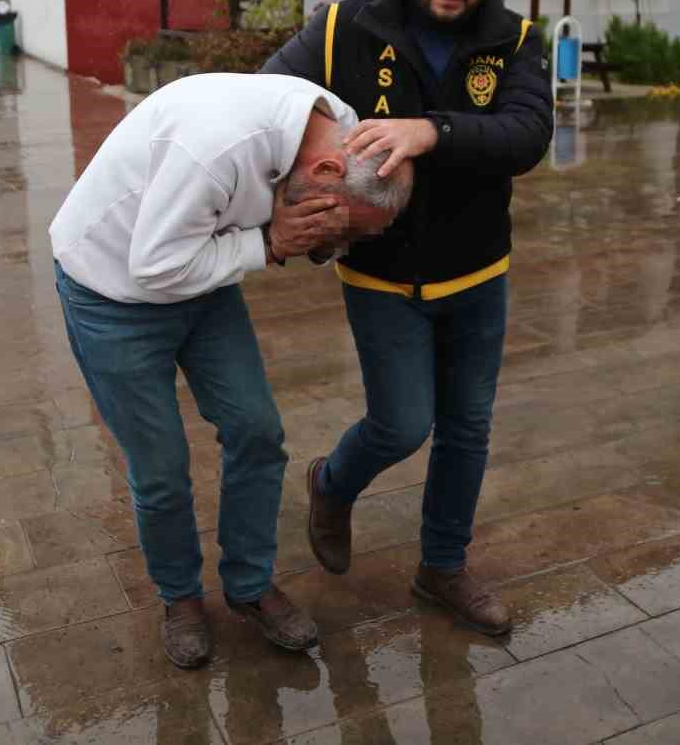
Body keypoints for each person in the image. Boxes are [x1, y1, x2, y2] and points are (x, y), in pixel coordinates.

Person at [261, 0, 554, 635]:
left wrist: (433, 132)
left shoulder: (515, 43)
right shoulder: (338, 30)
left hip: (478, 273)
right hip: (381, 276)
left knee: (468, 427)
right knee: (401, 424)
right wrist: (290, 202)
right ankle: (331, 482)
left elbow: (525, 136)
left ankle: (442, 568)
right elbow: (264, 104)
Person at [50, 72, 414, 669]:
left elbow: (230, 244)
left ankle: (248, 584)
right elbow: (154, 268)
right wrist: (269, 242)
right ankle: (181, 599)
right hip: (113, 290)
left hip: (202, 270)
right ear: (326, 175)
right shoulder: (213, 148)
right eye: (337, 227)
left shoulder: (341, 129)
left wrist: (293, 234)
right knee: (162, 467)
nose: (332, 246)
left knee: (256, 431)